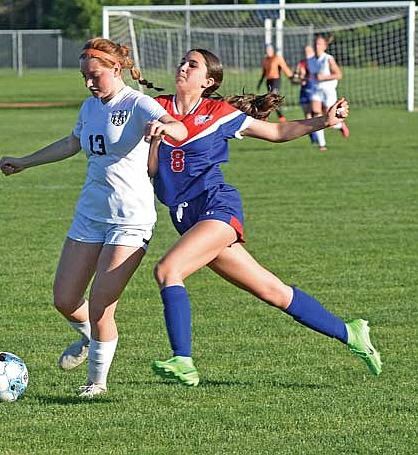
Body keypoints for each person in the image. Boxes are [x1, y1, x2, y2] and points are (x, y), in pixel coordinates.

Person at [147, 48, 381, 387]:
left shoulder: (219, 113)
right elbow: (152, 171)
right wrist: (154, 140)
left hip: (216, 208)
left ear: (208, 81)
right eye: (182, 61)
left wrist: (323, 121)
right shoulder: (158, 108)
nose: (183, 67)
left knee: (168, 269)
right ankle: (351, 333)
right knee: (273, 291)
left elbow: (275, 133)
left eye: (192, 64)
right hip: (184, 217)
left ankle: (183, 360)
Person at [0, 38, 187, 398]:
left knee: (101, 305)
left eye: (94, 75)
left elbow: (178, 128)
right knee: (65, 299)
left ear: (116, 69)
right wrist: (24, 161)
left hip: (130, 219)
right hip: (90, 214)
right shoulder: (89, 107)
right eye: (84, 76)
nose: (88, 83)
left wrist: (165, 128)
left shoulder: (137, 103)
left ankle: (96, 382)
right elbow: (72, 144)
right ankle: (90, 338)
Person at [307, 35, 350, 151]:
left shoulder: (328, 59)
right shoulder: (310, 60)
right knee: (316, 114)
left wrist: (324, 77)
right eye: (316, 44)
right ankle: (322, 144)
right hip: (316, 90)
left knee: (329, 118)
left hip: (328, 90)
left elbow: (339, 74)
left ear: (325, 47)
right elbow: (310, 75)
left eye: (320, 44)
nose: (317, 46)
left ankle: (340, 125)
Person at [256, 43, 293, 122]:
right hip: (268, 81)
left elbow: (285, 68)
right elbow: (264, 73)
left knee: (272, 98)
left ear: (272, 50)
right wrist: (260, 83)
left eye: (269, 50)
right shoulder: (265, 61)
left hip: (276, 80)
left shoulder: (277, 58)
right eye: (267, 50)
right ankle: (275, 116)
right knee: (271, 99)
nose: (268, 51)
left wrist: (291, 77)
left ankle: (279, 116)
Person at [292, 45, 318, 144]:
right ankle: (314, 138)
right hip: (304, 90)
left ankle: (339, 126)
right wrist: (297, 78)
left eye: (308, 51)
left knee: (315, 113)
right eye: (305, 51)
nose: (306, 53)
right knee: (307, 115)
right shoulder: (301, 63)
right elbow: (295, 79)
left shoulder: (315, 62)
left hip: (314, 90)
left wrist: (305, 78)